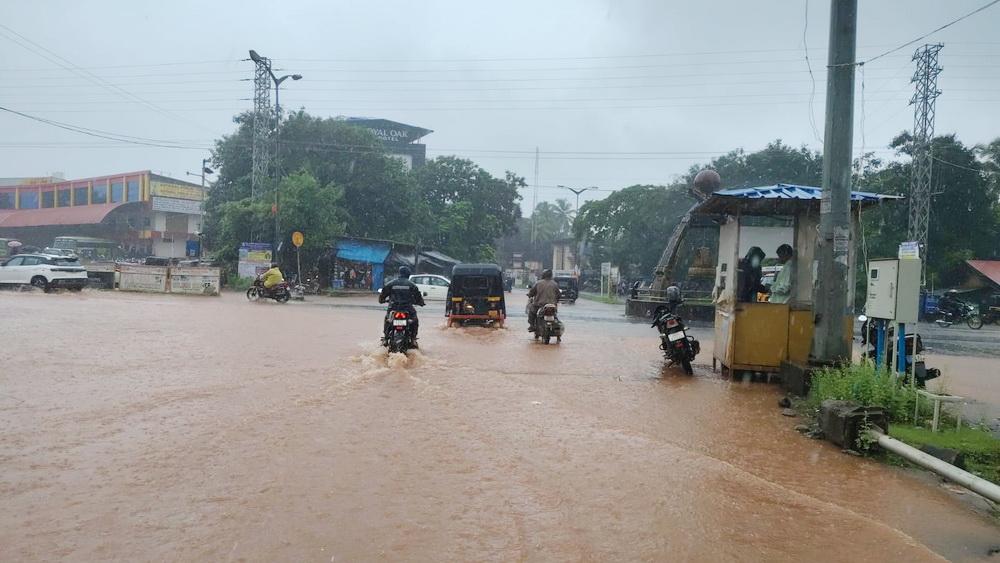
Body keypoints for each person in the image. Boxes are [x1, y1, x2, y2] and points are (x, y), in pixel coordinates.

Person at [378, 266, 426, 341]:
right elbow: (418, 297)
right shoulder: (412, 285)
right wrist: (421, 303)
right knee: (415, 320)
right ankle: (413, 339)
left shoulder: (390, 284)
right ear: (408, 274)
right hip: (408, 309)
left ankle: (386, 337)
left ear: (399, 273)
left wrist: (381, 300)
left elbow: (383, 294)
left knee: (387, 319)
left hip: (393, 308)